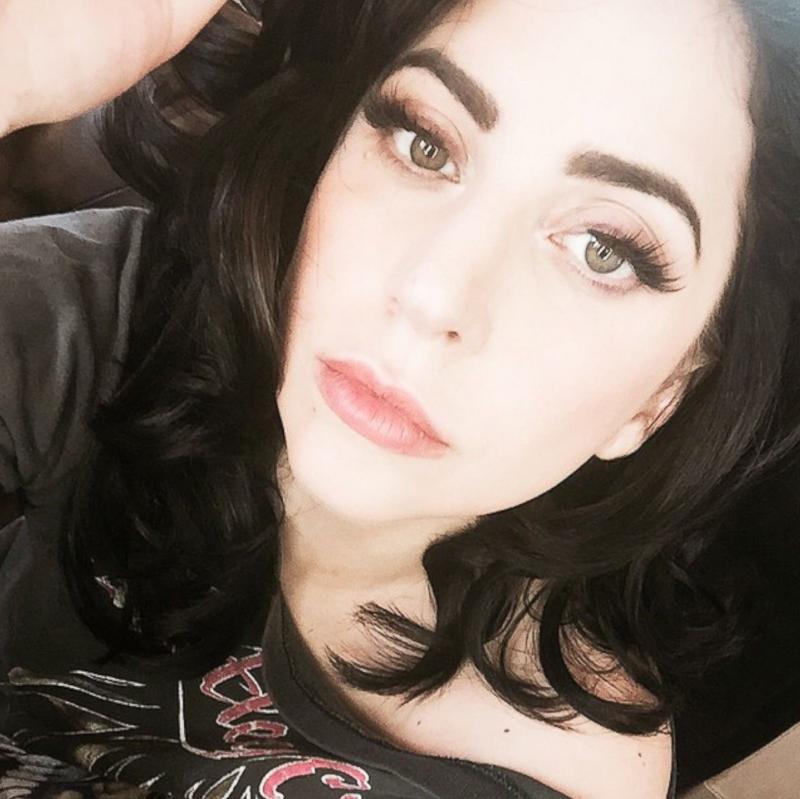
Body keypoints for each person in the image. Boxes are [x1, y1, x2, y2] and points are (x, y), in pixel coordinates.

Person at [1, 1, 799, 797]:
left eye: (602, 250)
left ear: (660, 395)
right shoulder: (134, 316)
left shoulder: (536, 774)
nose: (430, 294)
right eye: (425, 143)